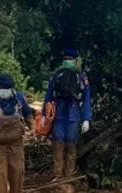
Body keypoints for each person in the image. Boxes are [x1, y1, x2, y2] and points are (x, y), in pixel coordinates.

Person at [43, 48, 93, 179]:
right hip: (59, 115)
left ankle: (69, 176)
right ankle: (57, 175)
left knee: (71, 145)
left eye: (70, 59)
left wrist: (87, 118)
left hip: (73, 115)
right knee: (58, 145)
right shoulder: (56, 76)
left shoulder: (82, 77)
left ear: (76, 61)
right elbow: (48, 97)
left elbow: (87, 98)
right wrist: (44, 116)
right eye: (65, 59)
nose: (67, 61)